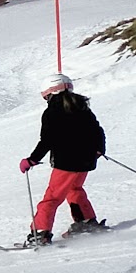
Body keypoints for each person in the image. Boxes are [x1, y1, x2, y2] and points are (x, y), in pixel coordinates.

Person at [22, 73, 107, 246]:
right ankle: (85, 222)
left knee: (52, 198)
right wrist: (99, 149)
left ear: (50, 93)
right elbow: (97, 130)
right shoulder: (82, 106)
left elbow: (47, 140)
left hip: (66, 163)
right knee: (74, 189)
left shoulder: (52, 111)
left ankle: (40, 233)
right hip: (86, 161)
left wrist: (32, 159)